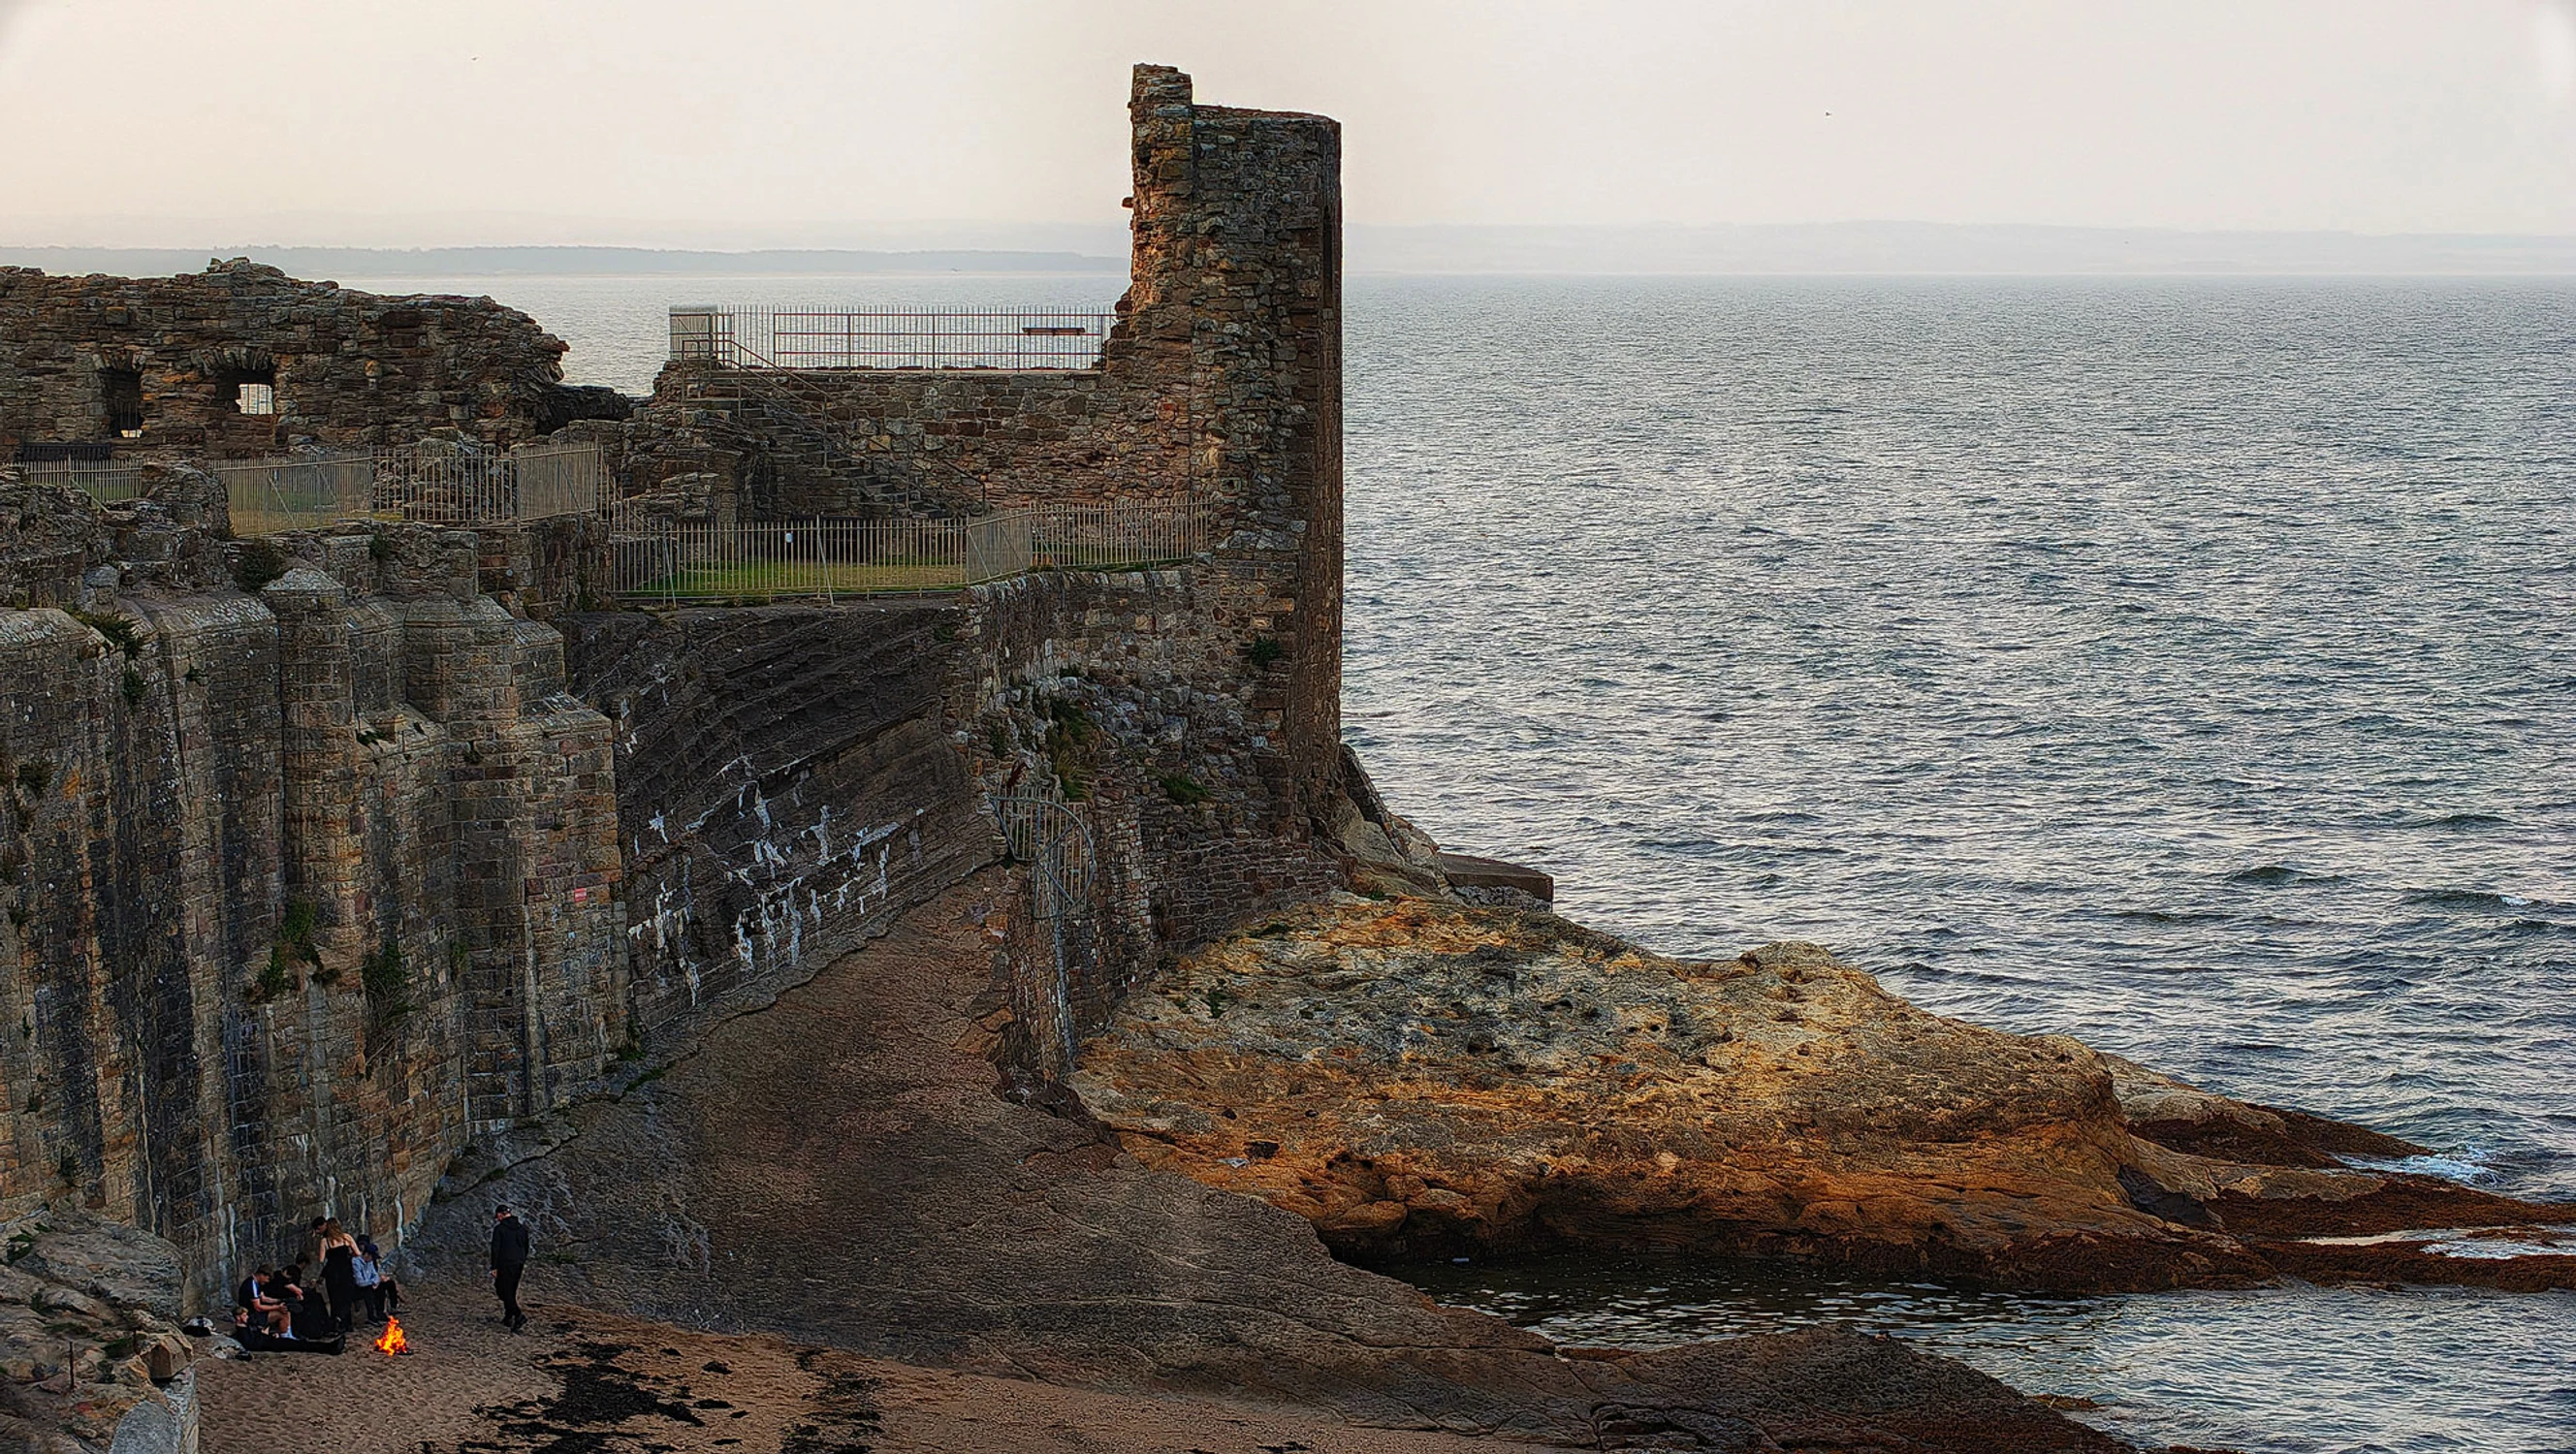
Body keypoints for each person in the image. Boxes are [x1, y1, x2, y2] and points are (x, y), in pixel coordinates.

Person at [490, 1205, 531, 1332]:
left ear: (500, 1215)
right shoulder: (522, 1229)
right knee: (511, 1290)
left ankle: (518, 1316)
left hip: (504, 1264)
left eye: (497, 1216)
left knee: (502, 1291)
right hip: (518, 1264)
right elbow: (526, 1247)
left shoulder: (499, 1229)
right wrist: (522, 1260)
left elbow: (495, 1249)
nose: (497, 1219)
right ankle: (508, 1316)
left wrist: (494, 1266)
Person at [319, 1217, 362, 1333]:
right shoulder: (346, 1237)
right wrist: (348, 1255)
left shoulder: (325, 1241)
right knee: (347, 1297)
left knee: (335, 1299)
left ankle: (336, 1323)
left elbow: (321, 1259)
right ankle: (345, 1322)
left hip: (332, 1272)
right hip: (345, 1271)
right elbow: (358, 1253)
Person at [361, 1238, 403, 1318]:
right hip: (365, 1284)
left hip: (372, 1282)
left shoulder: (370, 1262)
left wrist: (379, 1279)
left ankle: (393, 1306)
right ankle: (379, 1312)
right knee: (380, 1289)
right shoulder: (358, 1262)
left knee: (390, 1283)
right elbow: (361, 1280)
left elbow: (374, 1273)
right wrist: (374, 1281)